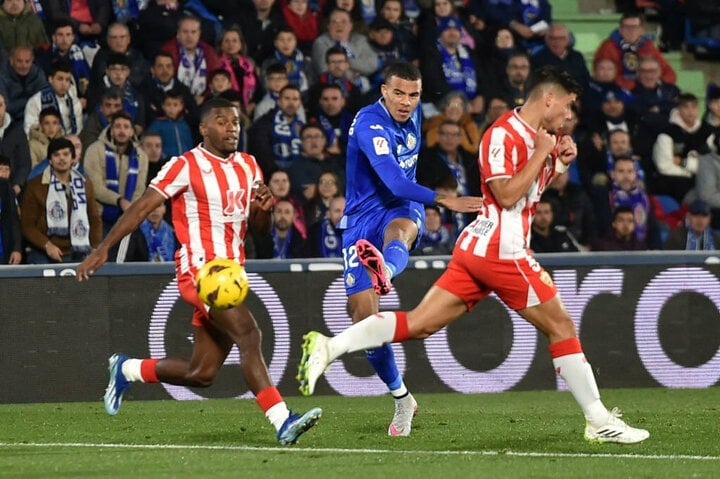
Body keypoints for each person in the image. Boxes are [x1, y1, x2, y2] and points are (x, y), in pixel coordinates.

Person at [298, 66, 650, 445]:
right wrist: (536, 158)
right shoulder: (502, 134)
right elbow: (507, 195)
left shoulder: (535, 136)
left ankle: (330, 345)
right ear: (549, 98)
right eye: (567, 106)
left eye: (413, 95)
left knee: (418, 324)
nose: (568, 116)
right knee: (561, 326)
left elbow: (530, 193)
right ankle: (597, 419)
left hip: (472, 245)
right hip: (501, 248)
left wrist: (558, 162)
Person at [76, 97, 322, 446]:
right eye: (222, 121)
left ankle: (127, 369)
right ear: (204, 128)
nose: (231, 127)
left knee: (202, 373)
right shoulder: (184, 165)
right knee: (249, 335)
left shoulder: (249, 166)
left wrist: (264, 208)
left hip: (231, 275)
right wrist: (103, 248)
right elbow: (143, 207)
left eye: (235, 121)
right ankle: (283, 420)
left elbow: (261, 228)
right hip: (199, 272)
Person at [326, 61, 481, 437]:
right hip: (362, 217)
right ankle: (402, 398)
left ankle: (385, 270)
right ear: (383, 91)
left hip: (398, 209)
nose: (406, 102)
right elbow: (394, 180)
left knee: (403, 230)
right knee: (365, 324)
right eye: (398, 93)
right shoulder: (369, 124)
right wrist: (444, 200)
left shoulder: (412, 117)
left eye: (413, 95)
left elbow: (402, 188)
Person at [21, 137, 102, 263]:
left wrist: (94, 248)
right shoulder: (35, 185)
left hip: (77, 250)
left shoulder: (85, 184)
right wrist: (47, 245)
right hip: (43, 251)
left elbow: (94, 220)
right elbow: (27, 225)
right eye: (56, 155)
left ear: (73, 158)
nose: (62, 158)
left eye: (66, 154)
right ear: (50, 160)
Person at [83, 110, 148, 233]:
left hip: (128, 217)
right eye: (117, 126)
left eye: (126, 127)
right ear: (111, 130)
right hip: (99, 218)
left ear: (132, 131)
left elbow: (139, 188)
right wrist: (119, 201)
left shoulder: (139, 155)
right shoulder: (95, 150)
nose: (122, 131)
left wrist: (130, 208)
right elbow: (94, 187)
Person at [24, 59, 83, 137]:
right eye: (60, 79)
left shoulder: (75, 102)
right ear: (50, 79)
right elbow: (29, 131)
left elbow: (78, 130)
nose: (64, 84)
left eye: (67, 80)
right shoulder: (36, 101)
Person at [0, 157, 22, 264]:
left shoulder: (9, 191)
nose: (3, 173)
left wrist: (17, 249)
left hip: (4, 250)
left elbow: (14, 222)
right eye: (0, 169)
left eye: (6, 169)